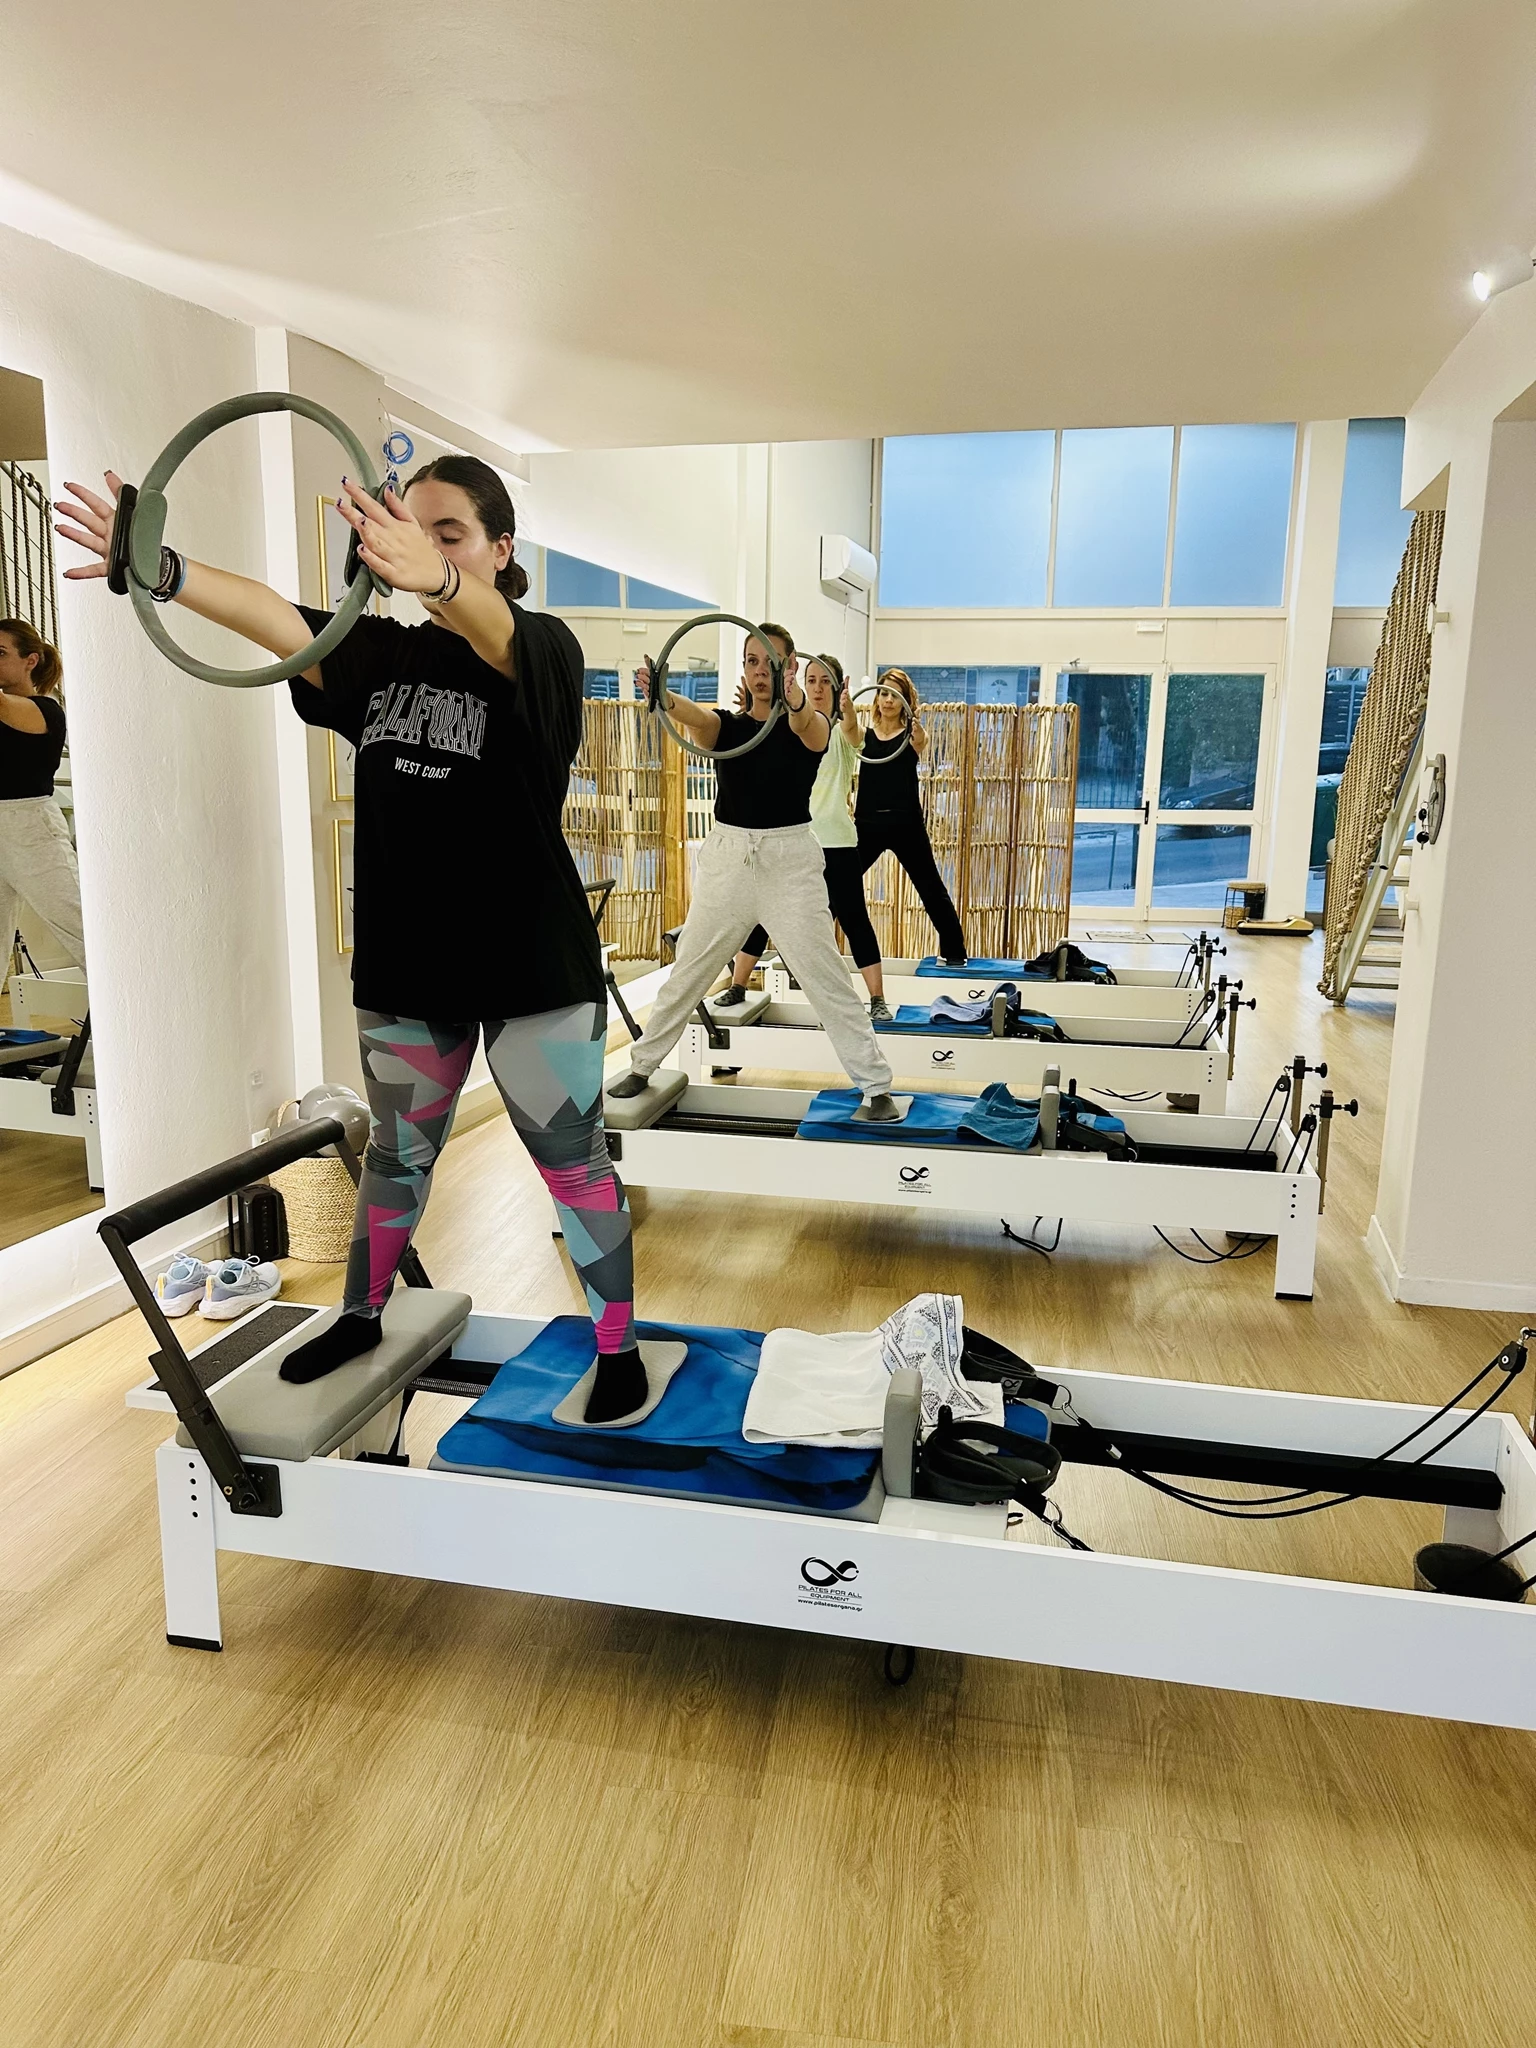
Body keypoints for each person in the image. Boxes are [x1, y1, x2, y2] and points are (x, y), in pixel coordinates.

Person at [55, 457, 648, 1424]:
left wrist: (438, 577)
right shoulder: (375, 655)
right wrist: (163, 569)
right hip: (409, 968)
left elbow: (491, 627)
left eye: (448, 532)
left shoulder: (541, 648)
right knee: (396, 1159)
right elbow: (271, 615)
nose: (418, 545)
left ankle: (617, 1346)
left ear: (500, 548)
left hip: (535, 965)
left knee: (572, 1162)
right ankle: (362, 1314)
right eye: (406, 527)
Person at [609, 627, 897, 1116]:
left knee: (826, 978)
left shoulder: (812, 725)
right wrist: (663, 696)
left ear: (790, 667)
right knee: (689, 971)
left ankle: (876, 1086)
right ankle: (642, 1066)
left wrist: (795, 696)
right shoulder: (727, 727)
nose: (761, 671)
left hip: (790, 863)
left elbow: (809, 725)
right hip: (729, 859)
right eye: (752, 662)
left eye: (772, 662)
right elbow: (697, 717)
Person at [714, 653, 896, 1023]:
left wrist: (848, 710)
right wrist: (750, 708)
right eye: (810, 680)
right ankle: (739, 984)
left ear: (838, 688)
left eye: (825, 681)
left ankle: (877, 998)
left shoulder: (840, 732)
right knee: (761, 916)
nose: (817, 688)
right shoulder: (788, 729)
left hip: (837, 844)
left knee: (854, 919)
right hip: (790, 841)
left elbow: (853, 730)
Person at [844, 668, 967, 972]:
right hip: (868, 825)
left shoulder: (912, 736)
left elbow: (921, 741)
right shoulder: (865, 735)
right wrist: (844, 706)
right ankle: (812, 952)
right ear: (877, 697)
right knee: (839, 885)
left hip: (906, 825)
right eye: (884, 693)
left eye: (895, 695)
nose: (888, 700)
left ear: (905, 701)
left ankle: (955, 954)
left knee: (931, 889)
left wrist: (917, 727)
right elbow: (849, 729)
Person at [0, 619, 87, 978]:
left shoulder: (46, 709)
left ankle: (139, 1002)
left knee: (82, 930)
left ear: (30, 660)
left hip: (30, 828)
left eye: (0, 653)